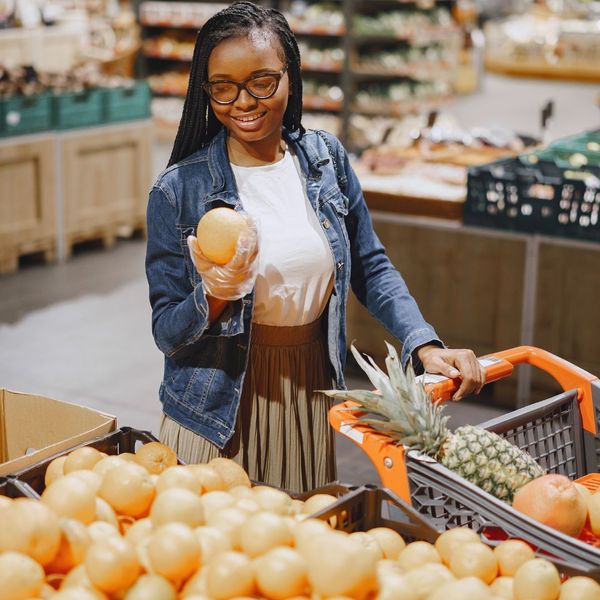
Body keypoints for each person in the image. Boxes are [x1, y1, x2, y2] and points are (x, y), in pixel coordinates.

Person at [145, 1, 485, 493]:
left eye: (262, 81)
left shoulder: (324, 159)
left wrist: (424, 343)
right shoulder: (180, 190)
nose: (243, 102)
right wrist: (216, 291)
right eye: (223, 87)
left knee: (297, 550)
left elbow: (370, 264)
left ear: (290, 76)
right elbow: (166, 331)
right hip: (216, 406)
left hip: (307, 388)